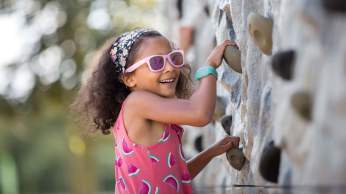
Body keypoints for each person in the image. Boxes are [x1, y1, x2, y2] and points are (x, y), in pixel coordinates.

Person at [73, 28, 240, 194]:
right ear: (129, 78)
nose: (169, 68)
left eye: (173, 58)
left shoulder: (146, 110)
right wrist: (209, 67)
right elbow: (200, 113)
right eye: (156, 62)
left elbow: (175, 177)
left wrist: (211, 152)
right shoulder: (137, 103)